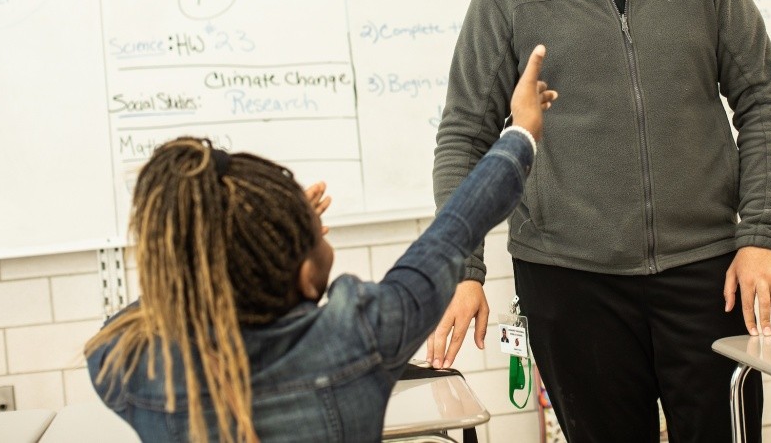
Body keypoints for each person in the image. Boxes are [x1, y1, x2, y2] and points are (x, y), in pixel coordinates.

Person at [429, 0, 771, 442]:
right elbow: (462, 137)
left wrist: (761, 235)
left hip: (708, 273)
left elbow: (763, 102)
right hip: (569, 281)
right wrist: (462, 268)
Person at [84, 45, 557, 443]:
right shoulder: (356, 338)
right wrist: (521, 134)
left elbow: (151, 309)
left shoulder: (127, 362)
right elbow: (456, 228)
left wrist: (237, 238)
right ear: (305, 275)